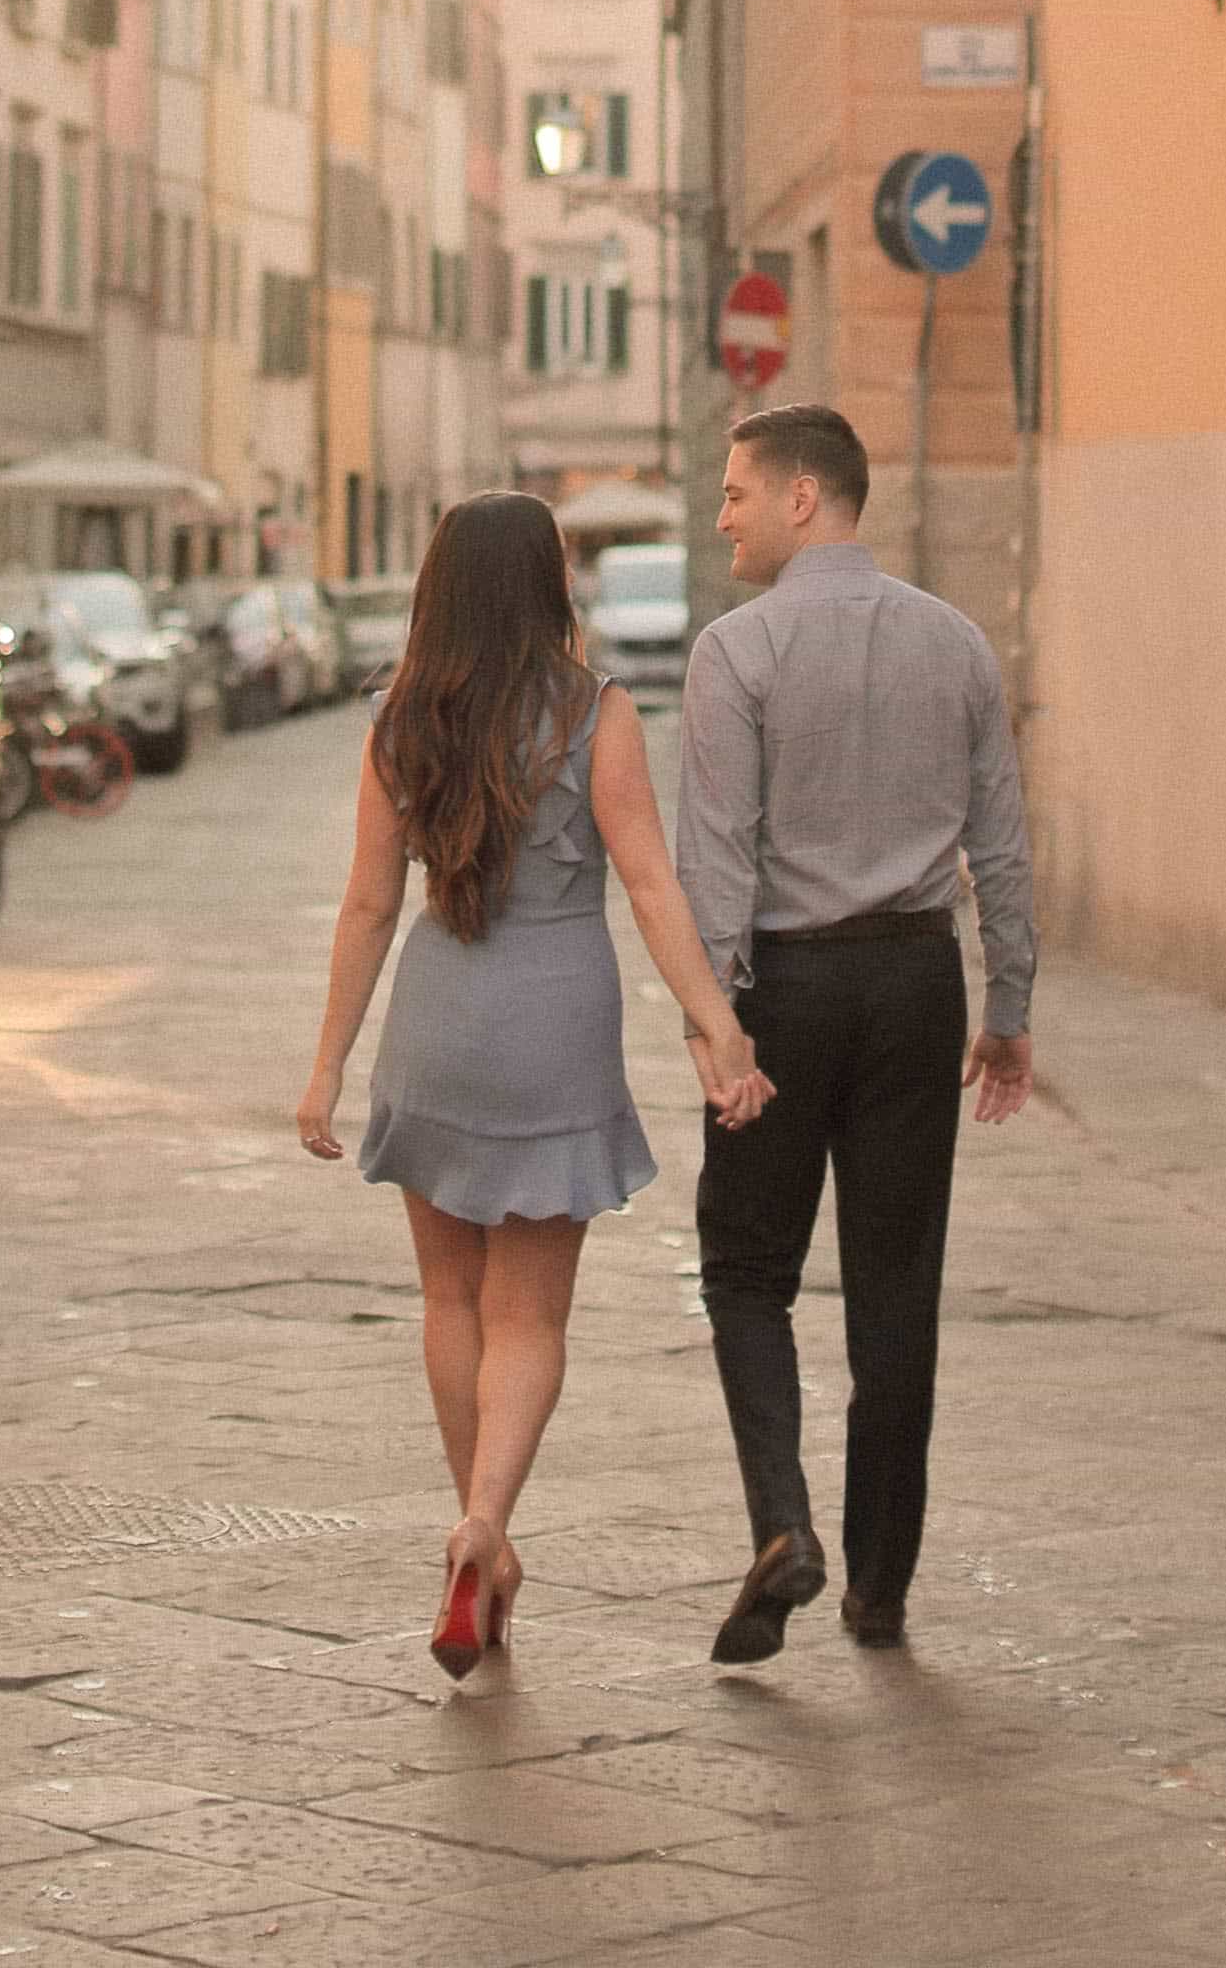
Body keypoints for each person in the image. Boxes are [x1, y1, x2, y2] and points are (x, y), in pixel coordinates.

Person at [297, 489, 772, 1680]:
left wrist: (327, 1069)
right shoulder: (594, 712)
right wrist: (717, 1026)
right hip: (556, 1016)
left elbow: (366, 902)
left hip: (436, 1017)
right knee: (529, 1317)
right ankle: (487, 1525)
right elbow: (653, 885)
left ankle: (478, 1535)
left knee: (451, 1304)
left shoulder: (398, 718)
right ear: (549, 584)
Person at [675, 401, 1035, 1667]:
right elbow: (999, 844)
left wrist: (717, 1026)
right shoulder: (956, 645)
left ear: (803, 500)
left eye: (735, 492)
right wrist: (1009, 1012)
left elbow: (713, 861)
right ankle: (880, 1587)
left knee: (743, 1273)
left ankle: (785, 1527)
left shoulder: (736, 652)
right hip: (914, 984)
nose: (719, 513)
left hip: (787, 983)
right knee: (898, 1292)